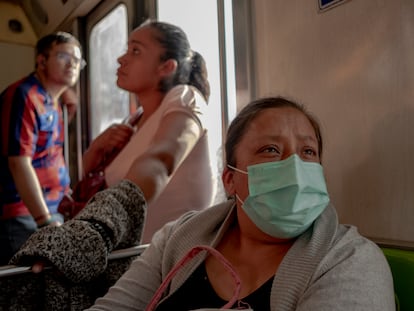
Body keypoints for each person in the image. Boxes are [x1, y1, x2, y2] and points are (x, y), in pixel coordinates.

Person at [83, 96, 395, 310]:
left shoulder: (350, 260)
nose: (294, 168)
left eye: (308, 152)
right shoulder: (178, 239)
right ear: (230, 179)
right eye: (271, 150)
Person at [78, 20, 215, 243]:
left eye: (135, 51)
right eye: (126, 49)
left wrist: (99, 225)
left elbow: (162, 160)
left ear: (166, 67)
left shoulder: (183, 98)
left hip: (168, 256)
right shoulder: (133, 120)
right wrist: (95, 150)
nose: (121, 58)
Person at [0, 31, 85, 265]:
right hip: (23, 214)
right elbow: (19, 161)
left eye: (77, 60)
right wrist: (44, 220)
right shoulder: (24, 95)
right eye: (64, 56)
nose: (73, 64)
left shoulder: (54, 102)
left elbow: (47, 152)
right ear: (41, 61)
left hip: (51, 207)